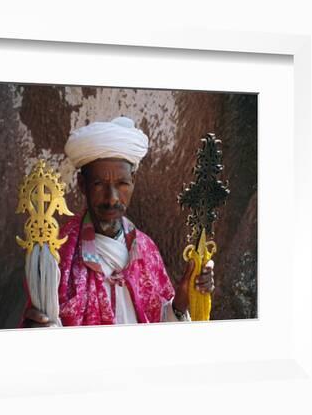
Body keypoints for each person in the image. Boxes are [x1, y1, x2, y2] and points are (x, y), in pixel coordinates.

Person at [22, 116, 214, 327]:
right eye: (99, 184)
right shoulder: (59, 251)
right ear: (82, 185)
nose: (112, 197)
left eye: (122, 183)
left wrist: (181, 301)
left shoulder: (145, 249)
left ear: (133, 182)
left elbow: (159, 325)